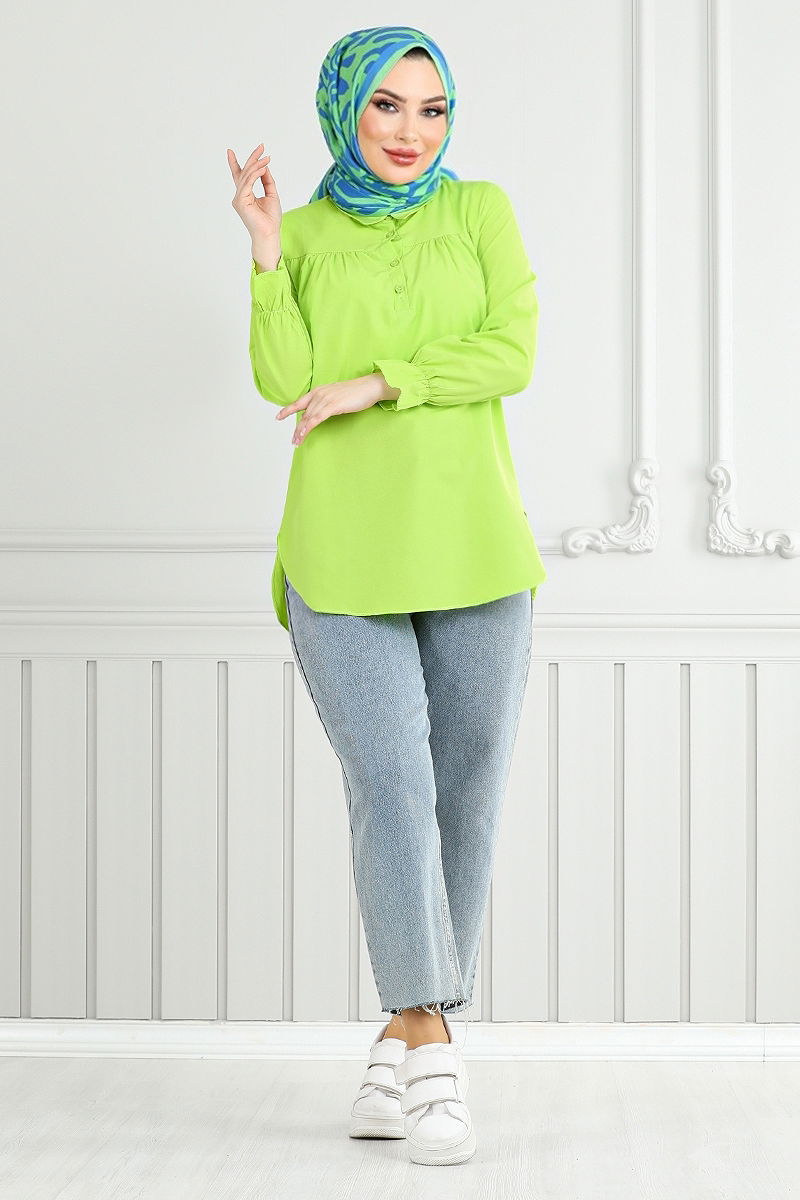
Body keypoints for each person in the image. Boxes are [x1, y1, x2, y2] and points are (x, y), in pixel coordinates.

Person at [227, 24, 546, 1167]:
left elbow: (510, 352)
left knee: (464, 797)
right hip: (341, 555)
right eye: (385, 106)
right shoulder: (306, 234)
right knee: (393, 788)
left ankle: (398, 1042)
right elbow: (279, 377)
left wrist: (376, 382)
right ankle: (432, 1050)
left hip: (476, 550)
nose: (410, 130)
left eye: (430, 108)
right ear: (344, 111)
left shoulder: (480, 212)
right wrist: (267, 250)